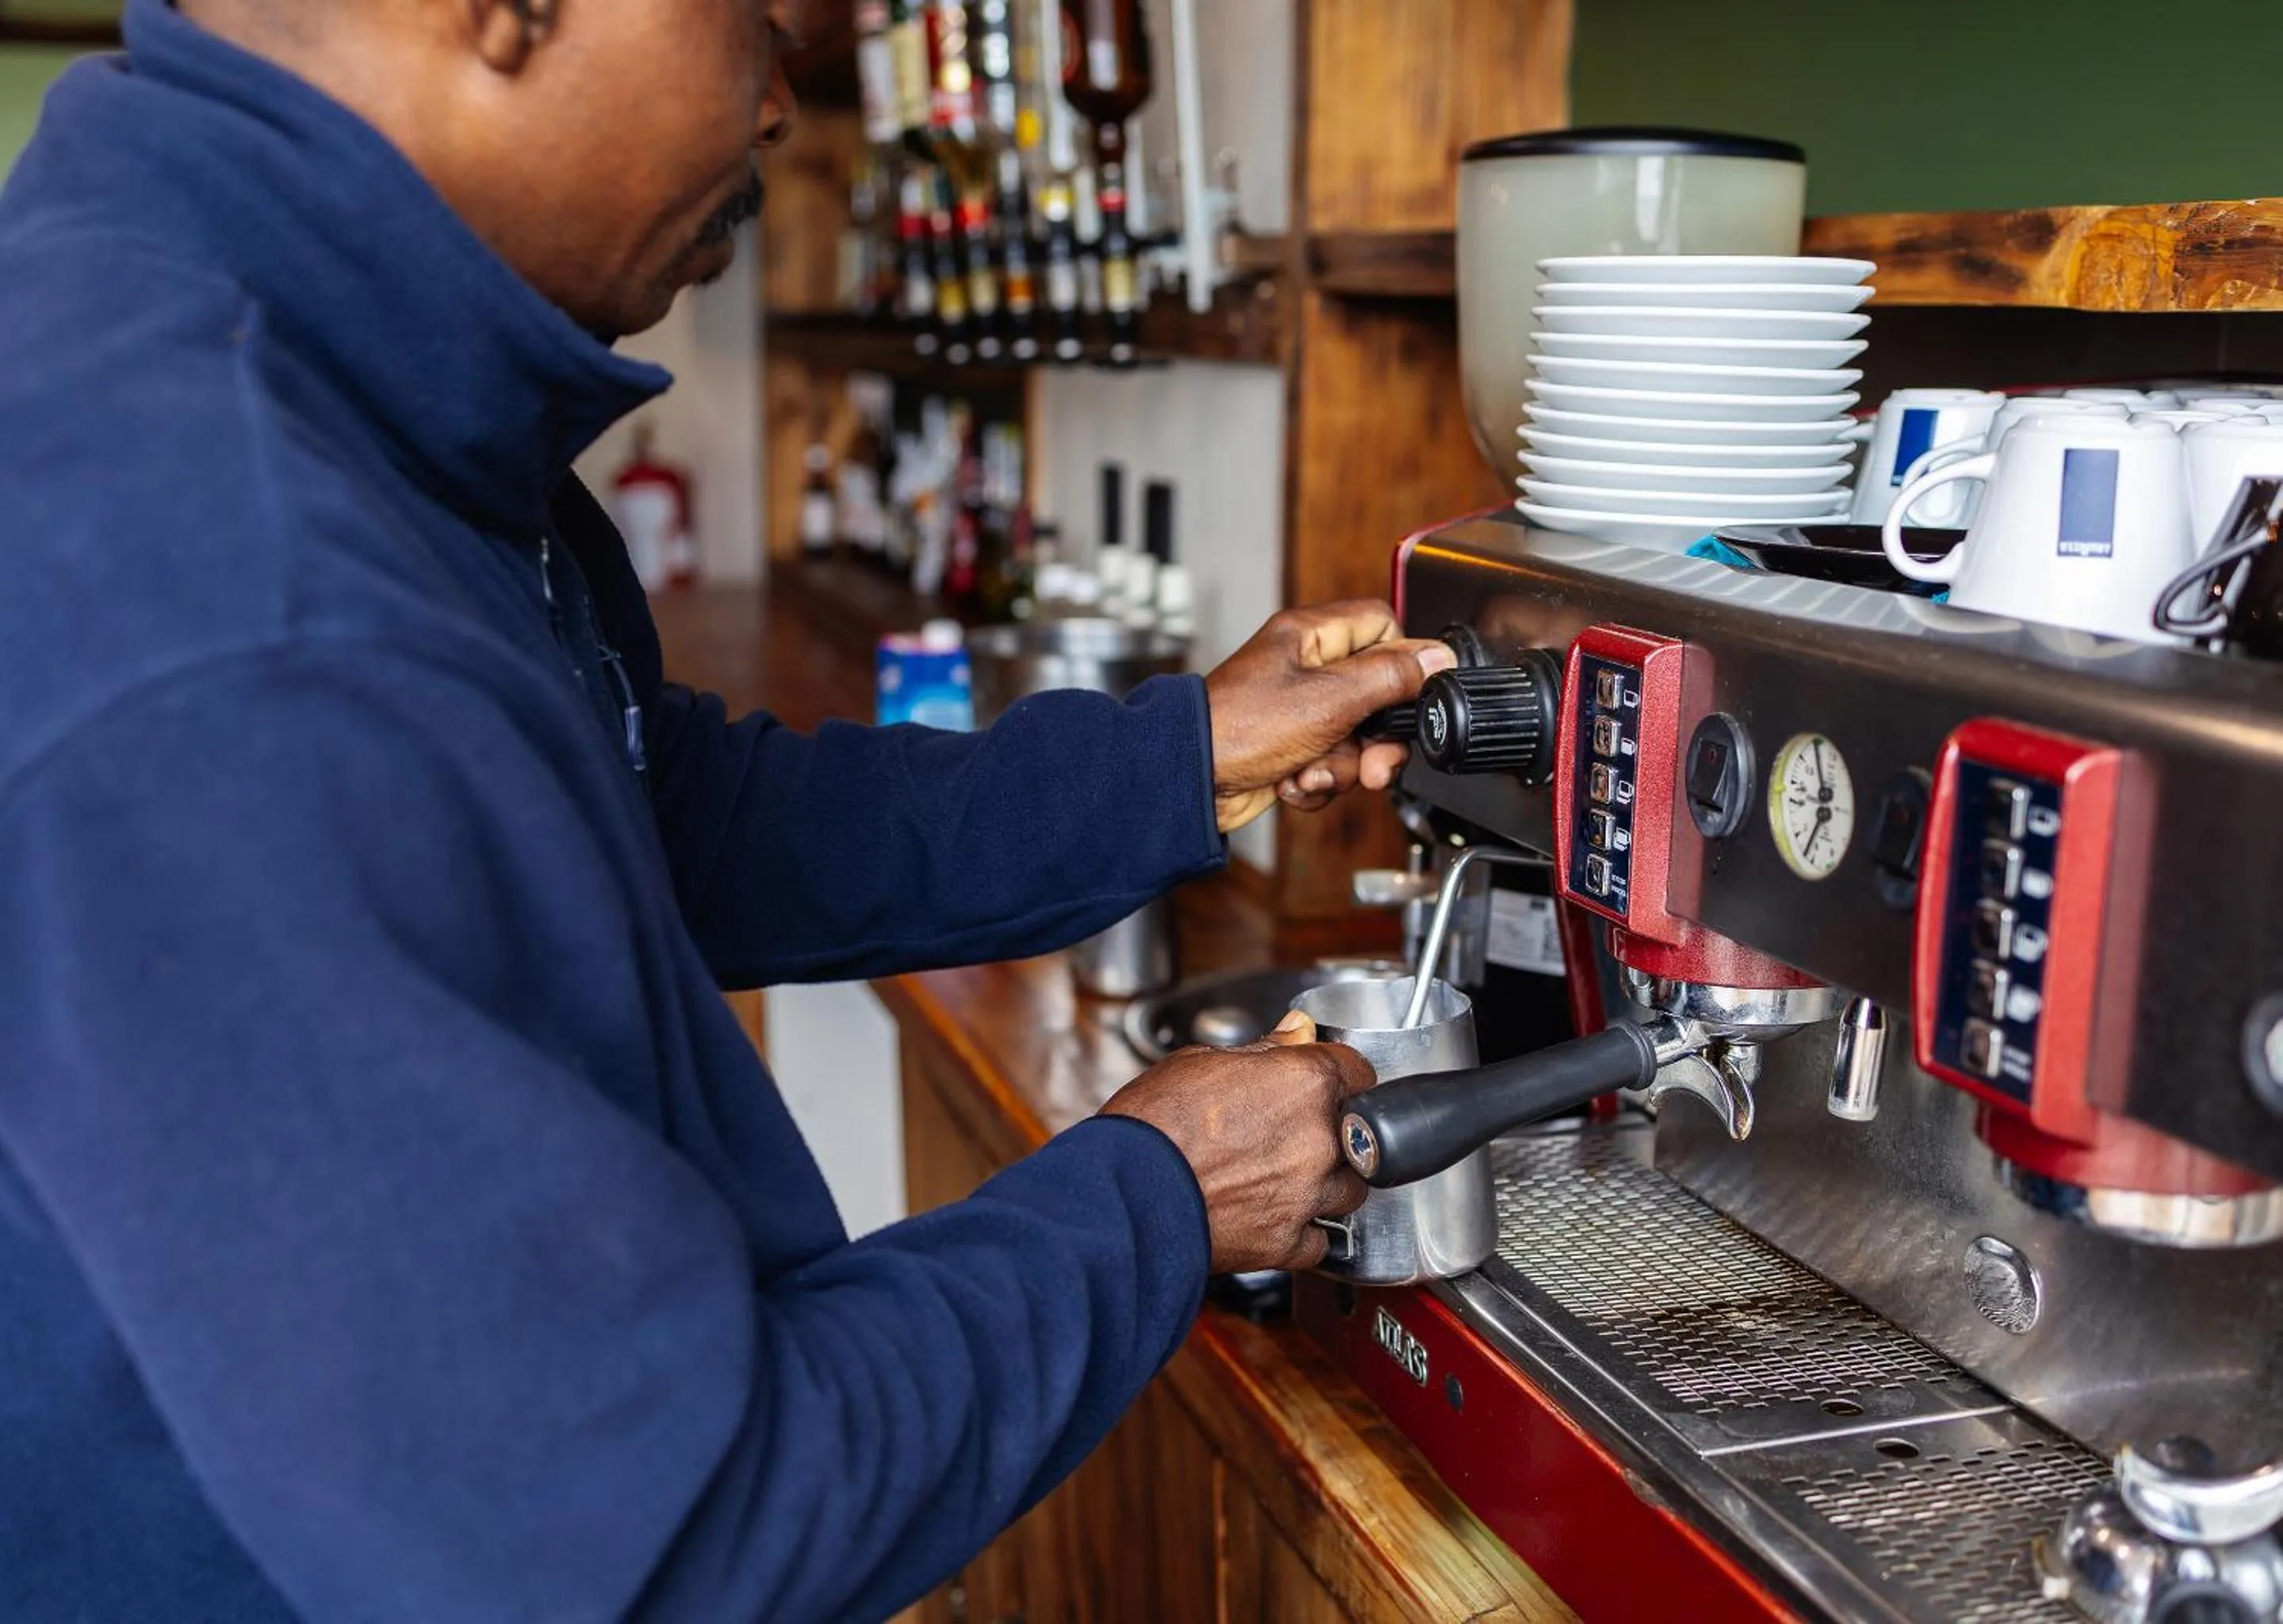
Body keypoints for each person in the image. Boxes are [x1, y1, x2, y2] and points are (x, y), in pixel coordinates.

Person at [0, 2, 1461, 1619]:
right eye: (767, 21)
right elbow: (654, 1542)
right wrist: (1160, 1196)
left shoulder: (316, 380)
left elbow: (660, 815)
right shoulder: (229, 616)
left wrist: (1178, 758)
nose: (780, 103)